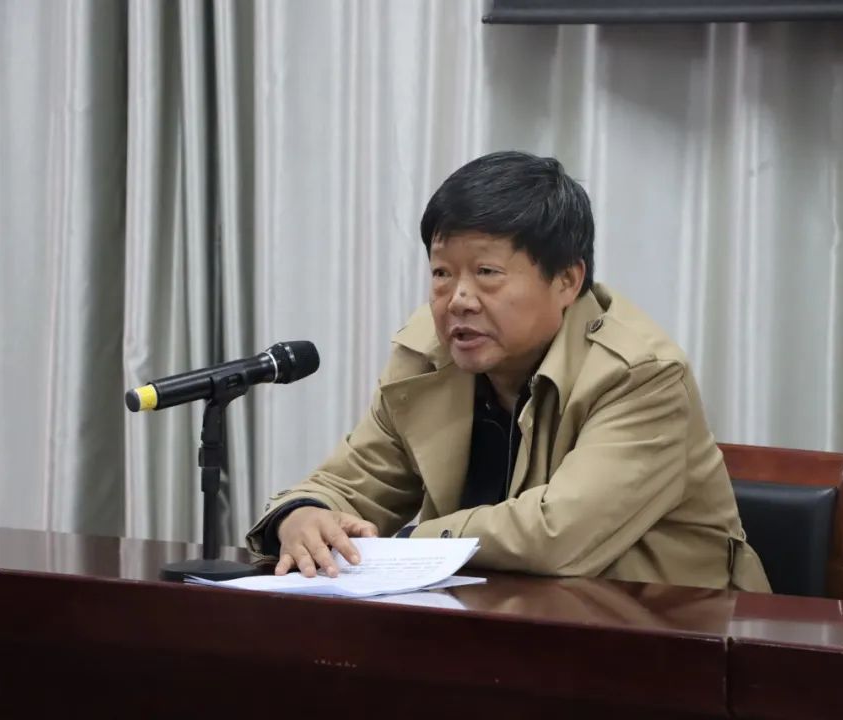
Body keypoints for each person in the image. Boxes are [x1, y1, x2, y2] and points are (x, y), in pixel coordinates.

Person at [246, 151, 770, 592]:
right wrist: (303, 517)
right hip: (497, 626)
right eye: (442, 273)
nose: (459, 299)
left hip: (672, 637)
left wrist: (403, 545)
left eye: (487, 273)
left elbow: (558, 535)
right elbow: (355, 482)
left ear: (566, 281)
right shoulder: (430, 355)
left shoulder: (641, 375)